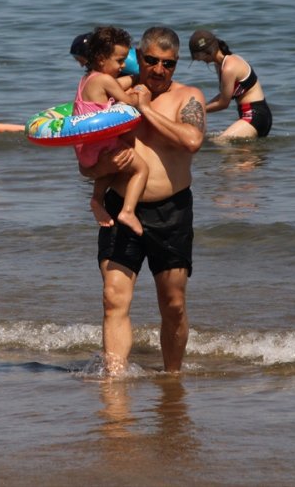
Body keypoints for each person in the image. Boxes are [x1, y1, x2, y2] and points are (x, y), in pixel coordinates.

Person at [80, 26, 205, 376]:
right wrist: (105, 166)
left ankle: (173, 378)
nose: (159, 70)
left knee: (173, 304)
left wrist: (145, 109)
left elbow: (192, 141)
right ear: (139, 56)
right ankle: (114, 380)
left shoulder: (187, 97)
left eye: (169, 64)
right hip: (121, 208)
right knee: (113, 298)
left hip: (171, 212)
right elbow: (86, 165)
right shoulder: (115, 93)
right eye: (151, 60)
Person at [74, 26, 148, 236]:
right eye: (119, 60)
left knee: (111, 170)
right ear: (101, 59)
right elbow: (128, 102)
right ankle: (128, 211)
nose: (123, 65)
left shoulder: (87, 80)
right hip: (102, 144)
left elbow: (117, 84)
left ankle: (97, 200)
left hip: (86, 149)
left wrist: (135, 78)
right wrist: (140, 95)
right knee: (141, 169)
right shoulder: (105, 80)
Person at [188, 29, 272, 140]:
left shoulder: (229, 67)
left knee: (220, 142)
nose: (199, 60)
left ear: (208, 52)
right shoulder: (220, 65)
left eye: (199, 56)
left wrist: (199, 110)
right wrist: (201, 107)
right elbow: (224, 95)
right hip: (250, 114)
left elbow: (223, 103)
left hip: (256, 115)